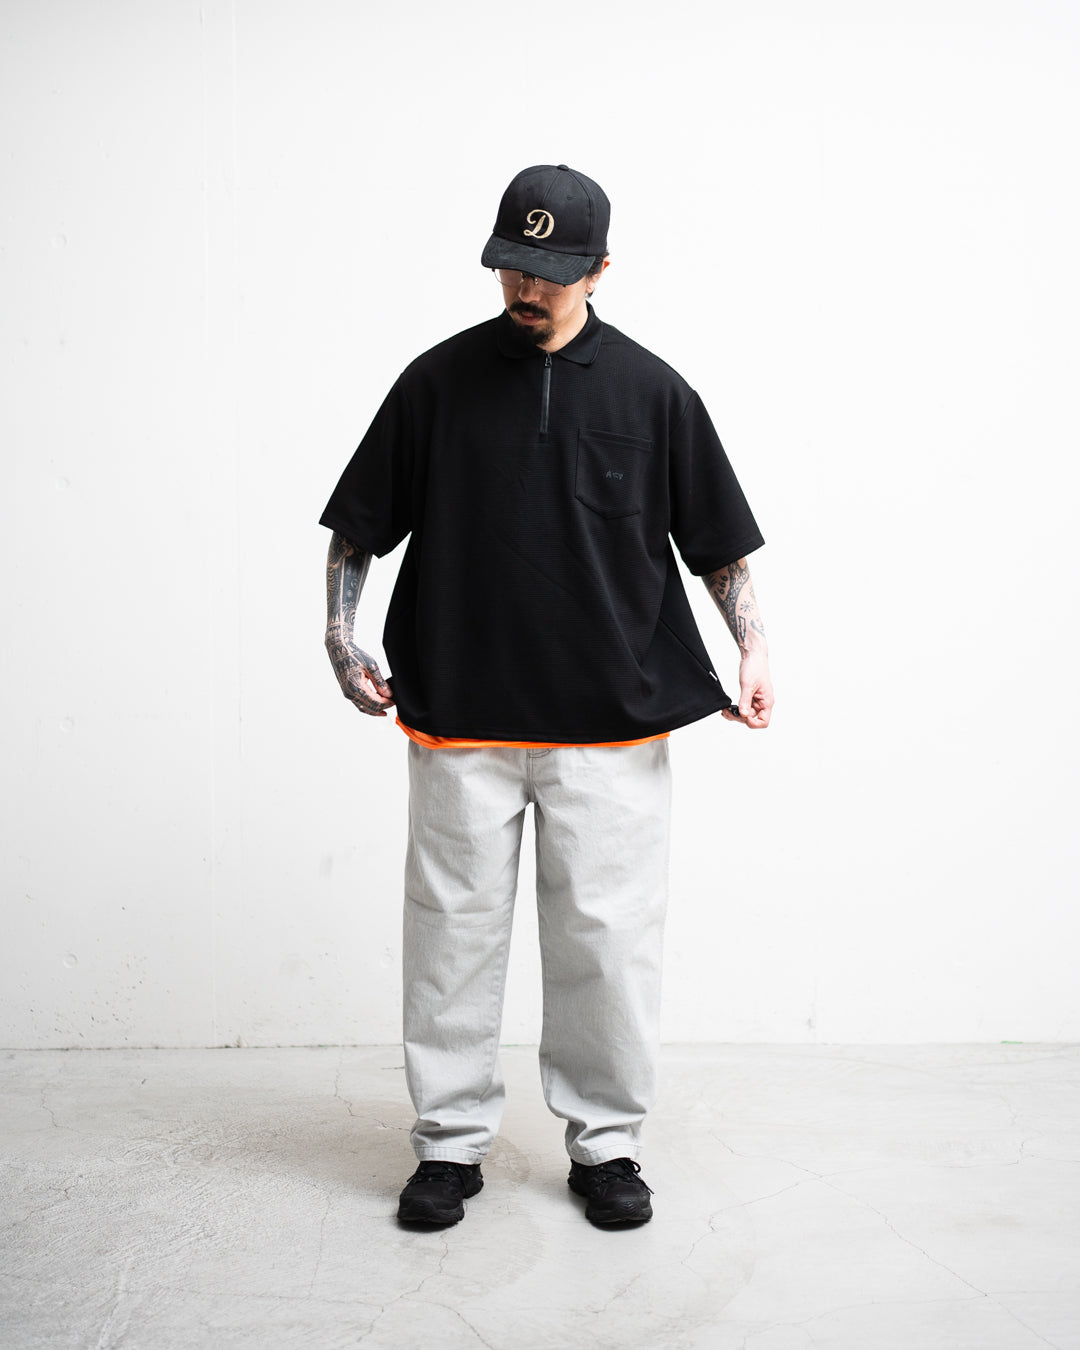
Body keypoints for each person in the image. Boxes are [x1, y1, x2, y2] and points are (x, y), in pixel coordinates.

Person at [321, 163, 773, 1228]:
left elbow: (718, 542)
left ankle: (607, 1147)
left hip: (612, 720)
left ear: (600, 269)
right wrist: (339, 633)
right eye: (512, 267)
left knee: (608, 947)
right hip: (460, 711)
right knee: (450, 940)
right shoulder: (435, 383)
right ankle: (448, 1146)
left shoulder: (655, 393)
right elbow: (361, 525)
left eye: (551, 273)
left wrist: (754, 646)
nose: (527, 289)